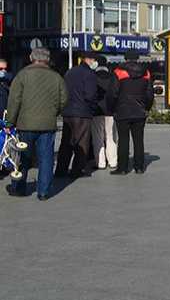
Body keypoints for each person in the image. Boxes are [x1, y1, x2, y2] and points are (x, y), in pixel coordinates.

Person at [6, 48, 67, 200]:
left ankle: (19, 188)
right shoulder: (56, 77)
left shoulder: (22, 75)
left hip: (25, 123)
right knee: (46, 158)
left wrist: (9, 122)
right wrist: (54, 112)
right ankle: (44, 192)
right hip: (47, 124)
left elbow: (14, 101)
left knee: (23, 157)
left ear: (31, 57)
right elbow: (64, 99)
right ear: (47, 59)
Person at [107, 50, 154, 174]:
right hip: (140, 112)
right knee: (138, 140)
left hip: (122, 111)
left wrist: (112, 109)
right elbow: (149, 94)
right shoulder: (146, 73)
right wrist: (146, 108)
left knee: (123, 140)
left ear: (125, 58)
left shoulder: (118, 72)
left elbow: (113, 94)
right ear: (138, 58)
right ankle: (139, 167)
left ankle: (122, 168)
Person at [55, 51, 99, 179]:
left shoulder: (70, 72)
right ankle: (77, 170)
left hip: (68, 112)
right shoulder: (89, 74)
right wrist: (92, 108)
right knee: (81, 143)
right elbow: (90, 95)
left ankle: (61, 170)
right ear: (89, 60)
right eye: (93, 60)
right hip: (82, 113)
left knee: (66, 143)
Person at [90, 56, 117, 171]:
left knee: (98, 138)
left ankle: (100, 162)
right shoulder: (113, 77)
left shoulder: (92, 77)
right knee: (111, 137)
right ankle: (113, 161)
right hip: (110, 111)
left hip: (97, 111)